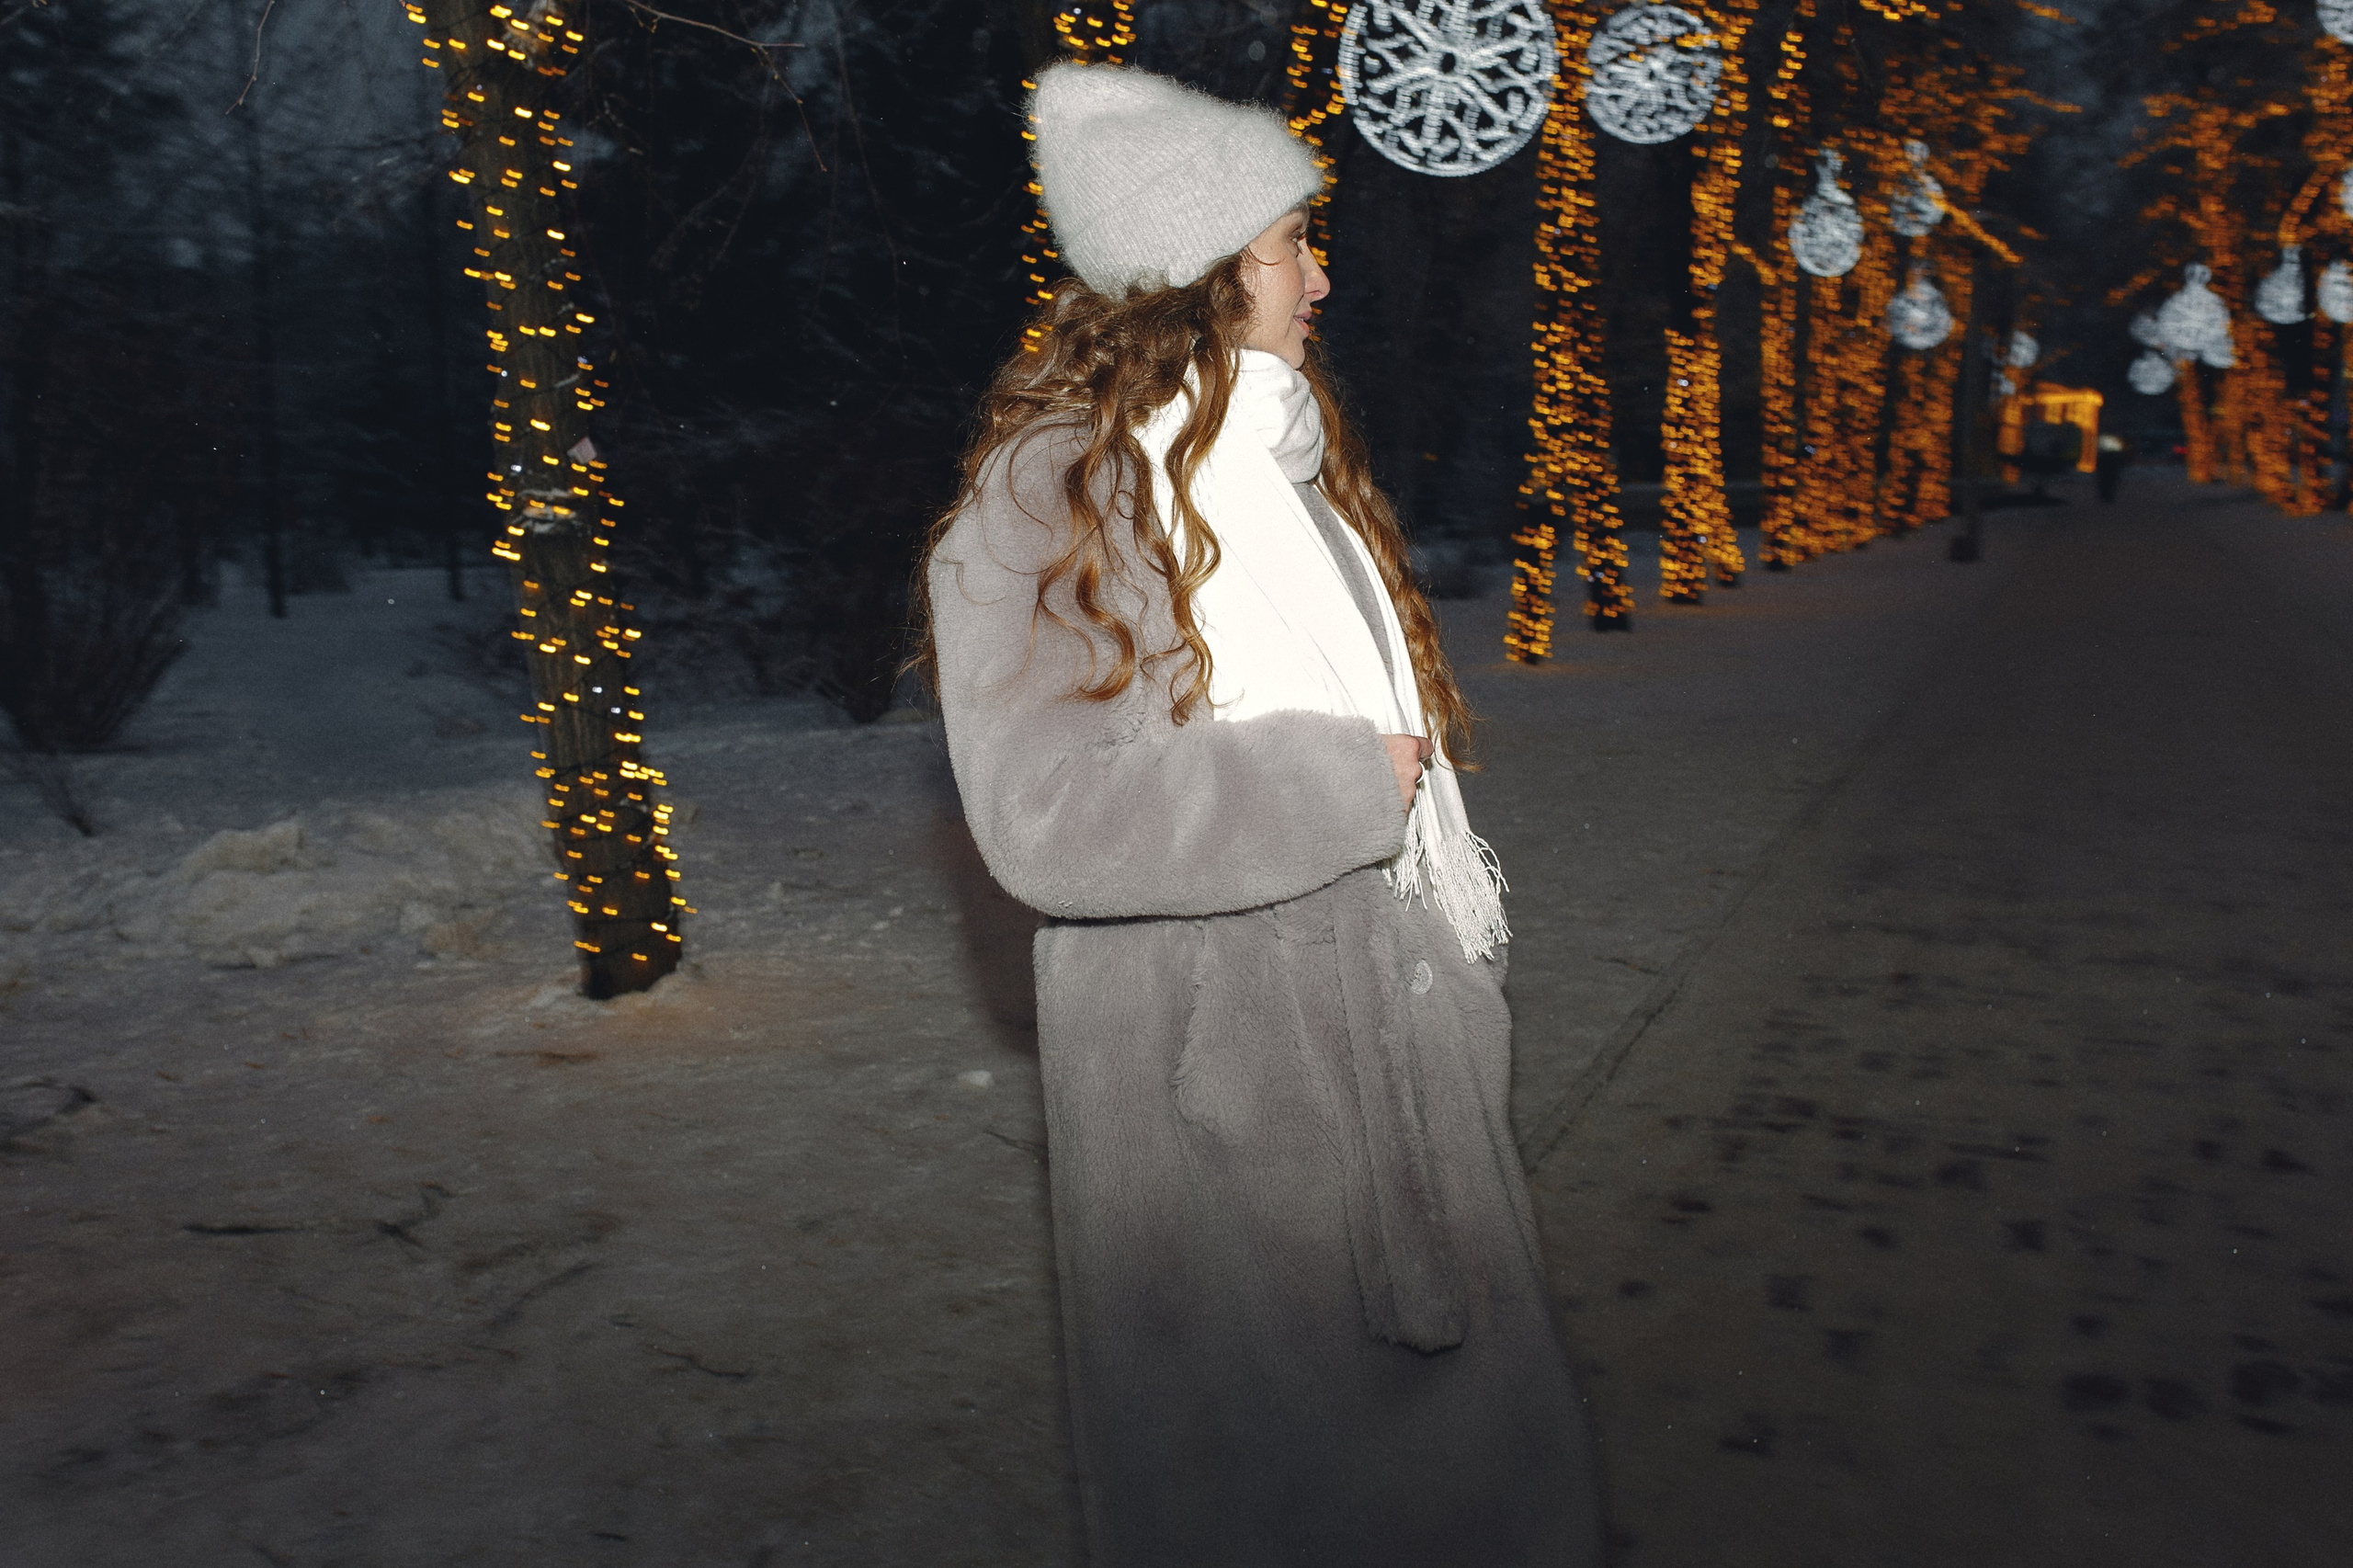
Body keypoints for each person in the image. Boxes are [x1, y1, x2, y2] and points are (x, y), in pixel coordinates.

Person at [918, 64, 1601, 1568]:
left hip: (1388, 1038)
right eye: (1294, 243)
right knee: (1288, 1495)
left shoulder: (1282, 473)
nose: (1322, 273)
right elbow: (1043, 817)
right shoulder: (1050, 500)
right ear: (1204, 271)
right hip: (1222, 1090)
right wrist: (1337, 784)